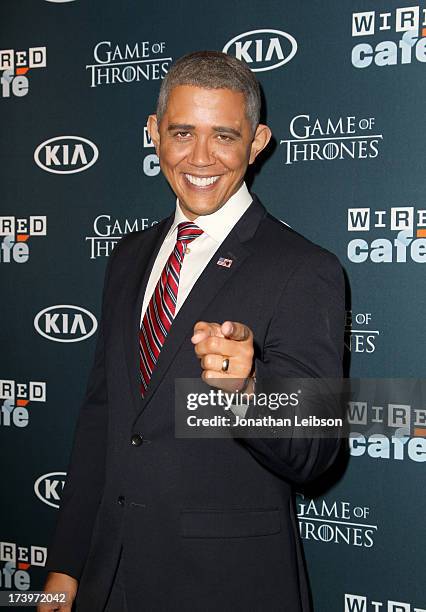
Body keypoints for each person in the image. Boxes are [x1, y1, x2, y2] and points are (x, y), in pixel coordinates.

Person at [40, 51, 345, 612]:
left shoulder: (305, 268)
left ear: (257, 144)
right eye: (182, 132)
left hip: (228, 585)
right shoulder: (128, 256)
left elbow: (318, 450)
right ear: (155, 134)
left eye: (225, 136)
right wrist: (66, 566)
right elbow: (102, 418)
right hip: (112, 576)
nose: (201, 157)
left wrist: (247, 394)